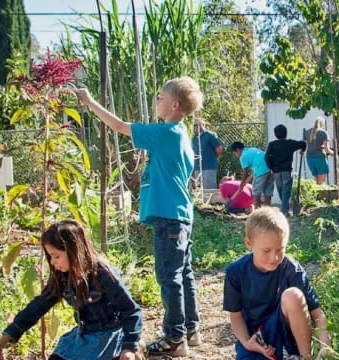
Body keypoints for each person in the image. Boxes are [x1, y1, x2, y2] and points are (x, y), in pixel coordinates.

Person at [76, 76, 203, 358]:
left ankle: (174, 339)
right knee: (183, 274)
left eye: (159, 97)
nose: (156, 100)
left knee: (168, 278)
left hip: (169, 217)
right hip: (181, 214)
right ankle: (190, 329)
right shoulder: (181, 133)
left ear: (173, 104)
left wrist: (89, 102)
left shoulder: (165, 133)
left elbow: (119, 126)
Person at [0, 220, 144, 360]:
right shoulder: (62, 276)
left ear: (74, 251)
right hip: (84, 335)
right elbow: (38, 306)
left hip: (113, 334)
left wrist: (130, 347)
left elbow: (131, 311)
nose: (52, 262)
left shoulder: (103, 275)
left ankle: (138, 349)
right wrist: (7, 336)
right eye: (50, 257)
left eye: (56, 256)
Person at [223, 207, 331, 359]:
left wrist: (325, 345)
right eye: (266, 251)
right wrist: (247, 342)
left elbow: (317, 314)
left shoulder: (292, 270)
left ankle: (304, 356)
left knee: (293, 295)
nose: (274, 257)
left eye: (280, 249)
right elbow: (235, 316)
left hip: (287, 334)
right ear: (249, 243)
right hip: (256, 337)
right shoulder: (235, 272)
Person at [265, 124, 306, 215]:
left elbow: (267, 157)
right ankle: (284, 210)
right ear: (286, 134)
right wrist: (302, 150)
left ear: (275, 134)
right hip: (286, 171)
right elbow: (303, 143)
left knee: (280, 189)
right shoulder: (290, 143)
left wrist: (270, 167)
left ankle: (284, 209)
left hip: (276, 171)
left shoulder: (272, 145)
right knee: (286, 191)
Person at [230, 142, 274, 208]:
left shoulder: (243, 156)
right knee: (267, 192)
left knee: (256, 192)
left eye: (235, 153)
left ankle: (257, 211)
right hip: (271, 169)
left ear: (238, 150)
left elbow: (245, 172)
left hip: (260, 170)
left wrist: (241, 184)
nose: (235, 155)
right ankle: (268, 212)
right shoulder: (251, 149)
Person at [192, 118, 223, 189]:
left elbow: (219, 149)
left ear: (203, 125)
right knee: (198, 189)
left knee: (209, 188)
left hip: (209, 167)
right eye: (194, 125)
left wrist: (212, 158)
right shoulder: (194, 138)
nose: (196, 127)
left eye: (197, 125)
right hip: (198, 167)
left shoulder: (210, 135)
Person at [305, 117, 333, 185]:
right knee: (322, 182)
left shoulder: (307, 132)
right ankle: (322, 196)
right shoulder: (323, 133)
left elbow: (305, 147)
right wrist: (333, 153)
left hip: (309, 159)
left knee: (317, 182)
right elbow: (327, 149)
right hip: (320, 158)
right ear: (322, 124)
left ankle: (317, 195)